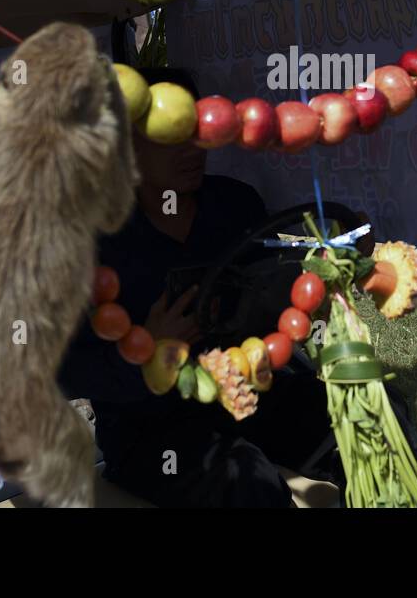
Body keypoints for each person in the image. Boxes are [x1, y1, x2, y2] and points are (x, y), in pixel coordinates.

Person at [58, 68, 339, 507]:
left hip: (244, 391)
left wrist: (301, 294)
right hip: (149, 427)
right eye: (169, 137)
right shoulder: (91, 241)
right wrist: (145, 354)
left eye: (197, 131)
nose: (192, 150)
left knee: (344, 415)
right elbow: (63, 370)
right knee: (246, 480)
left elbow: (267, 294)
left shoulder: (234, 204)